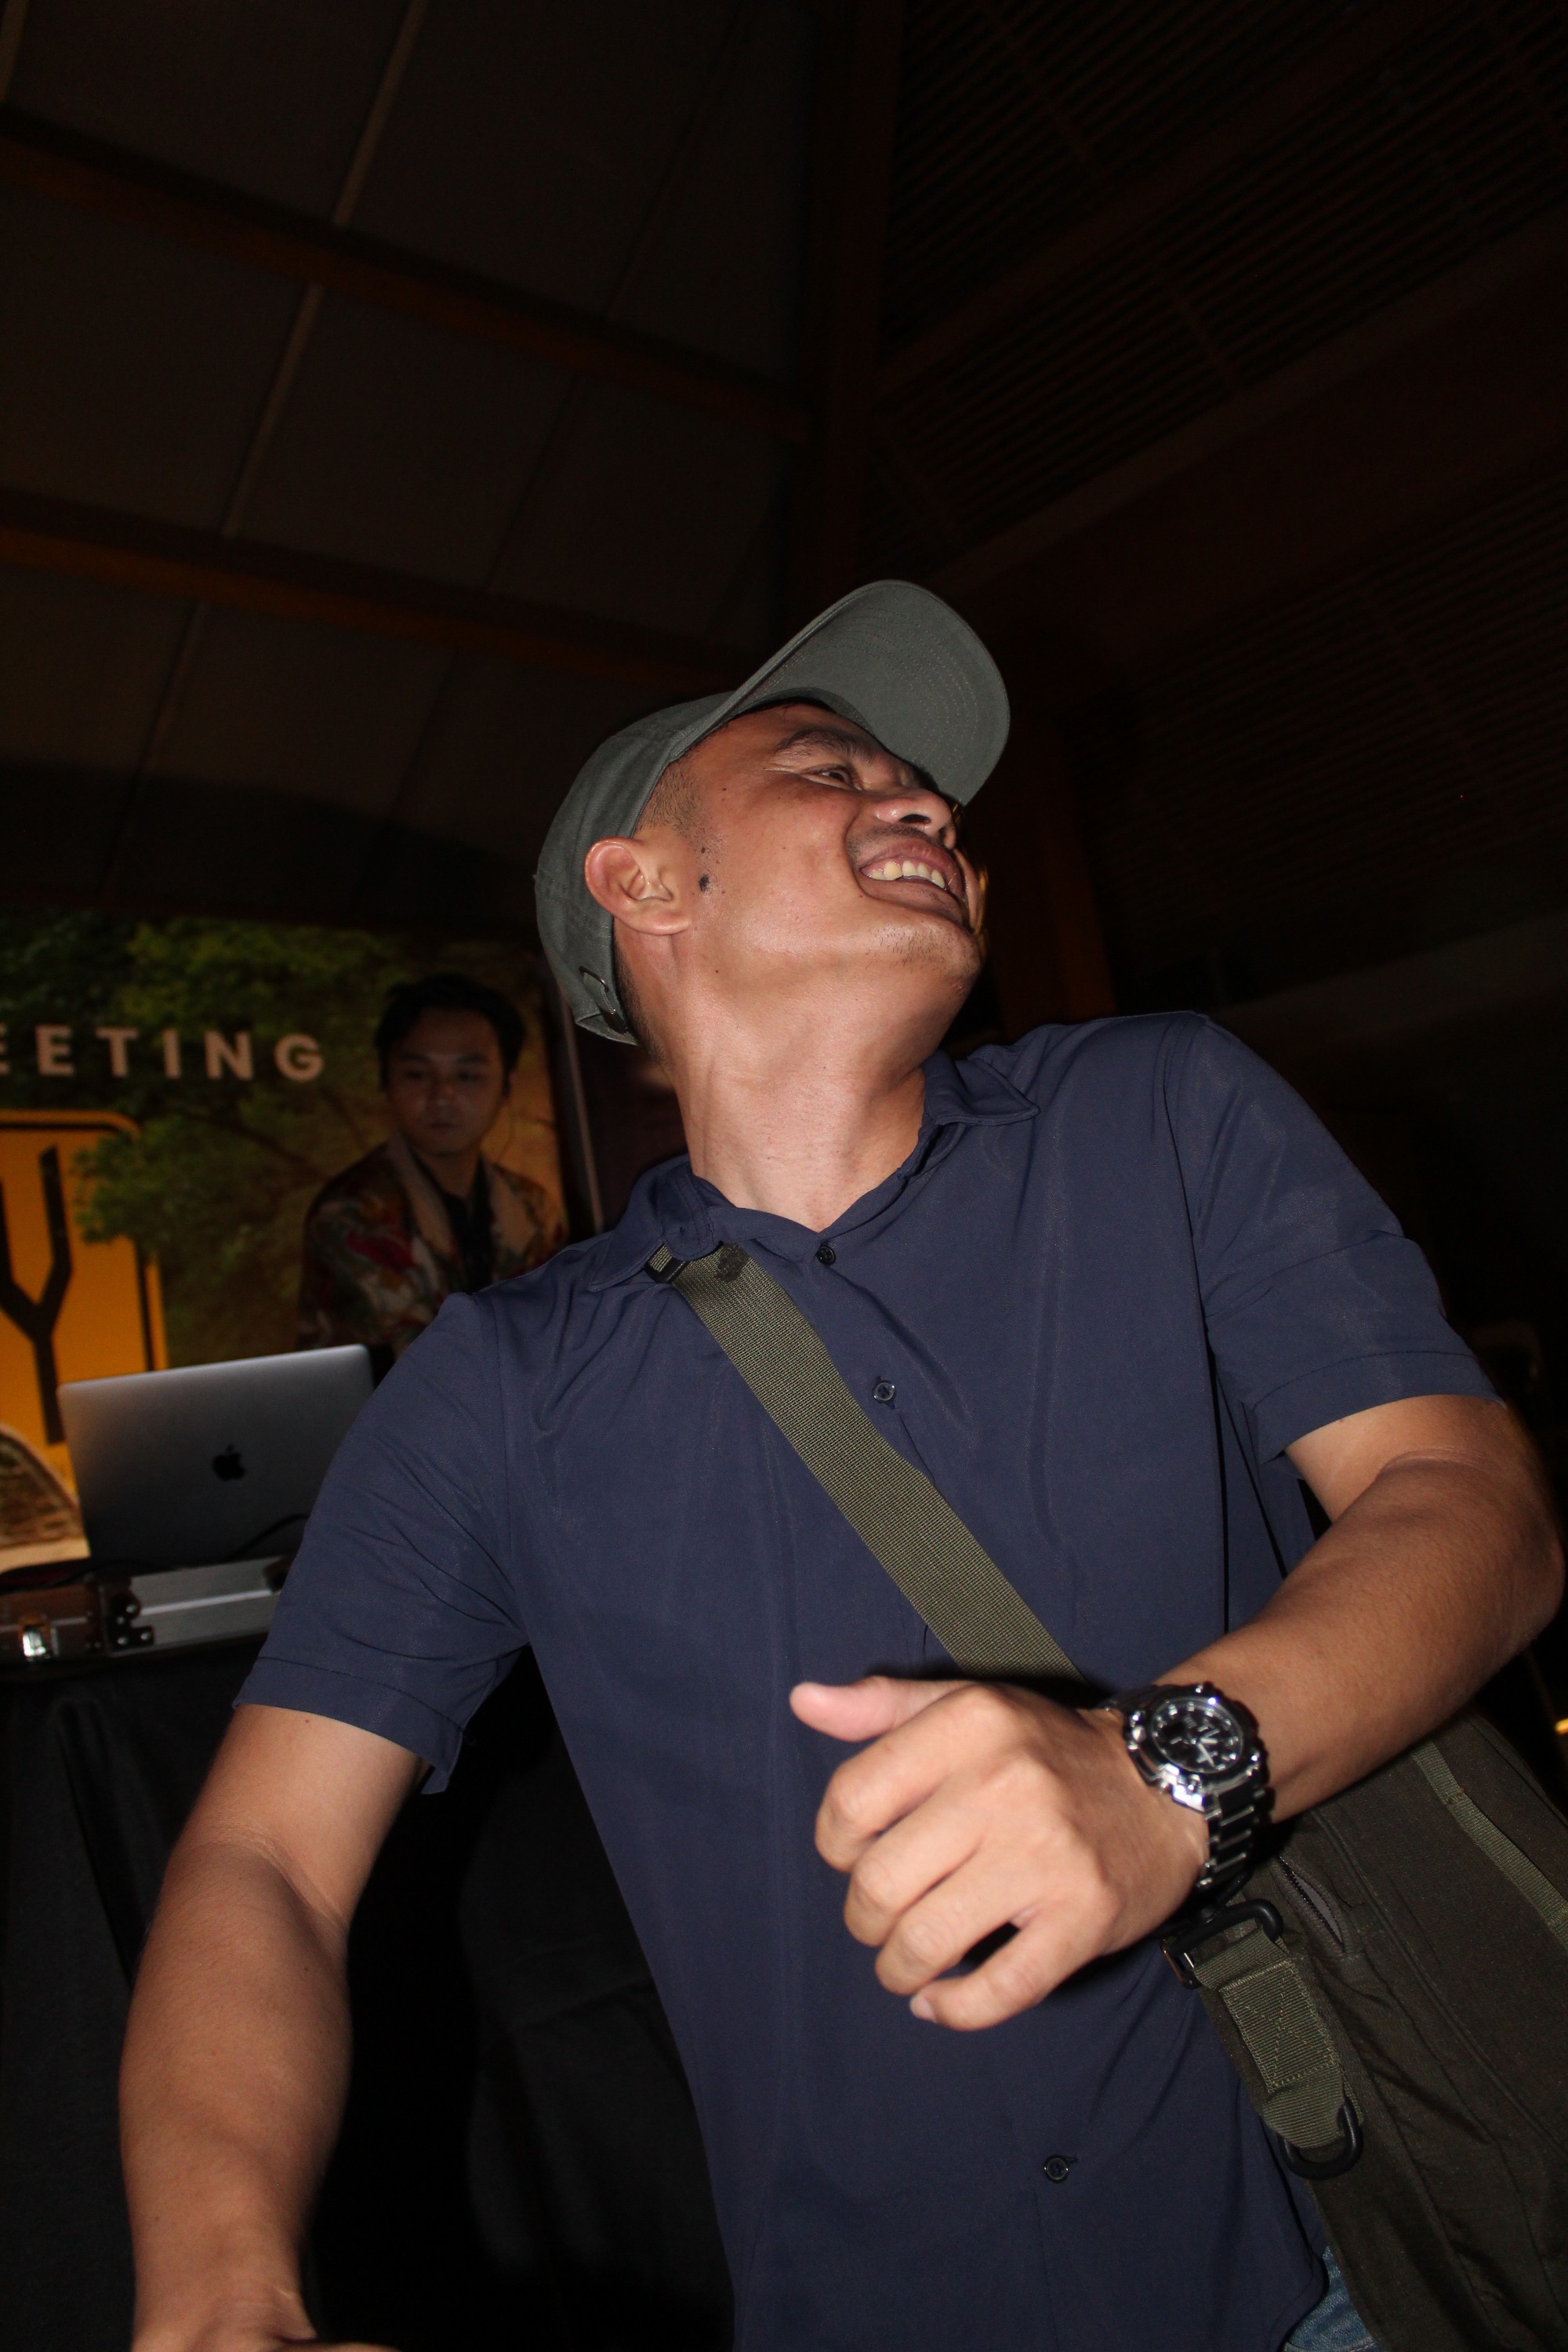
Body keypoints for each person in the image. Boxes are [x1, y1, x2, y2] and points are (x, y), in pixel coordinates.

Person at [122, 583, 1562, 2352]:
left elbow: (1468, 1501)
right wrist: (218, 2301)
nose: (924, 801)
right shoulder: (500, 1386)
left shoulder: (1158, 1112)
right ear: (646, 884)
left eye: (924, 785)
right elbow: (264, 1855)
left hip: (1335, 2253)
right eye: (830, 766)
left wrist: (1159, 1781)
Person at [296, 972, 562, 1361]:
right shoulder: (352, 1215)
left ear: (507, 1084)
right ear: (386, 1080)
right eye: (418, 1074)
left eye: (467, 1075)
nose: (442, 1096)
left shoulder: (532, 1207)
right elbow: (426, 1363)